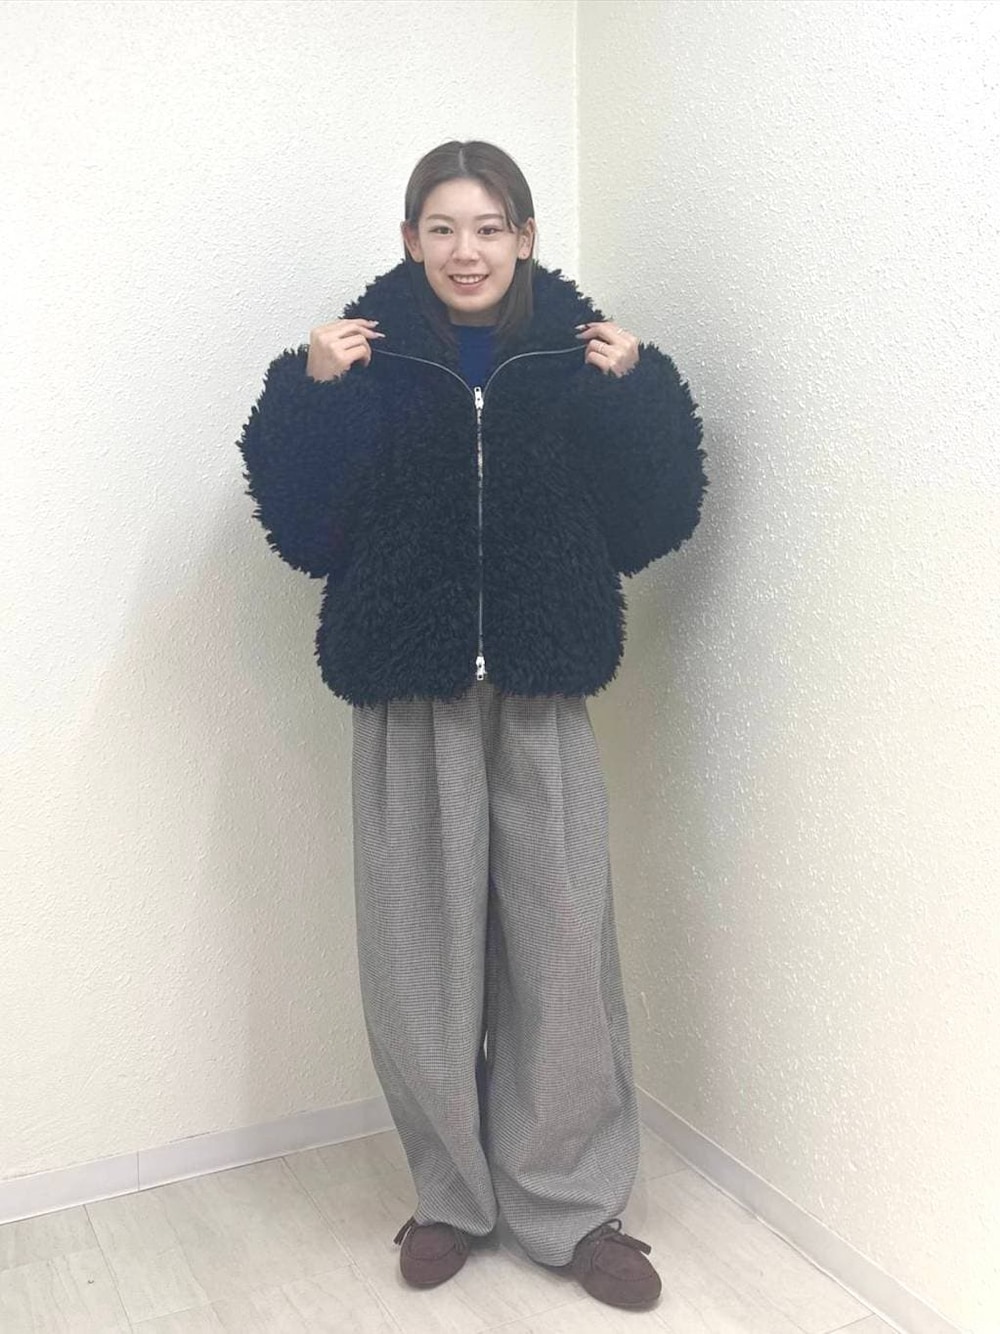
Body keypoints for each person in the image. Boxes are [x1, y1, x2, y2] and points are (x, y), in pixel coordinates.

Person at [236, 140, 708, 1312]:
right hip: (414, 686)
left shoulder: (577, 356)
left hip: (542, 685)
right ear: (410, 240)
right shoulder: (363, 359)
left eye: (489, 227)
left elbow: (651, 520)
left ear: (525, 236)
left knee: (562, 948)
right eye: (442, 228)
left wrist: (638, 394)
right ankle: (448, 1197)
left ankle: (572, 1205)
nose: (466, 251)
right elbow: (303, 528)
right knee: (420, 955)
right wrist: (310, 396)